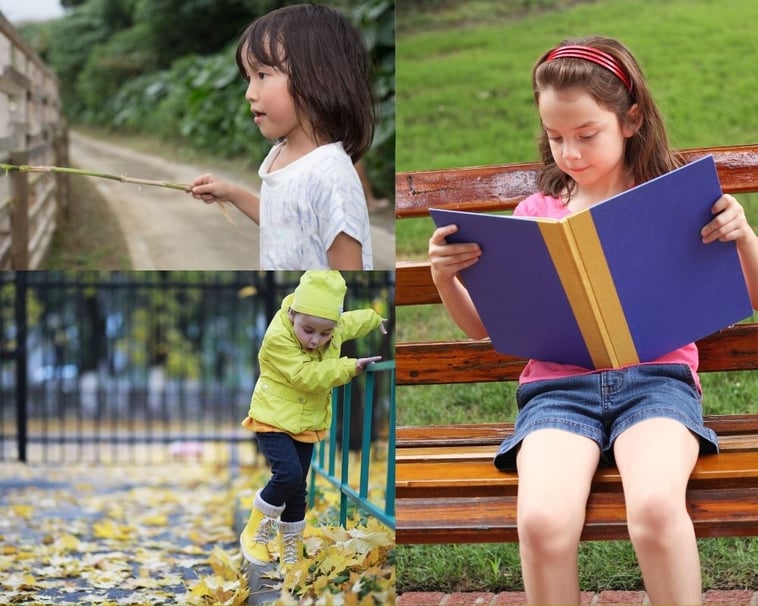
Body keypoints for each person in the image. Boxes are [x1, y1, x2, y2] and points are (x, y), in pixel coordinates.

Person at [428, 36, 758, 606]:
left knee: (655, 509)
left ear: (629, 120)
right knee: (542, 523)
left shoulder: (673, 202)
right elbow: (481, 328)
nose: (571, 153)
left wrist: (744, 237)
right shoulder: (536, 215)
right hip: (557, 392)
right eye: (556, 138)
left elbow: (748, 294)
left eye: (586, 135)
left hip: (657, 383)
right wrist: (444, 278)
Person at [190, 3, 375, 270]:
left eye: (262, 75)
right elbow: (283, 226)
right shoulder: (280, 153)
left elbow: (349, 273)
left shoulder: (331, 176)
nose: (250, 93)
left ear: (318, 77)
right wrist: (231, 193)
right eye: (249, 78)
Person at [239, 270, 387, 572]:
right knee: (288, 476)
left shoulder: (330, 327)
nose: (315, 340)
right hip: (273, 418)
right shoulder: (278, 338)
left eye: (325, 334)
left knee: (298, 490)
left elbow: (351, 322)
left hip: (306, 424)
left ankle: (290, 550)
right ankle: (254, 531)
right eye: (308, 330)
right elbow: (306, 376)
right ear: (293, 314)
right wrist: (349, 367)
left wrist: (375, 319)